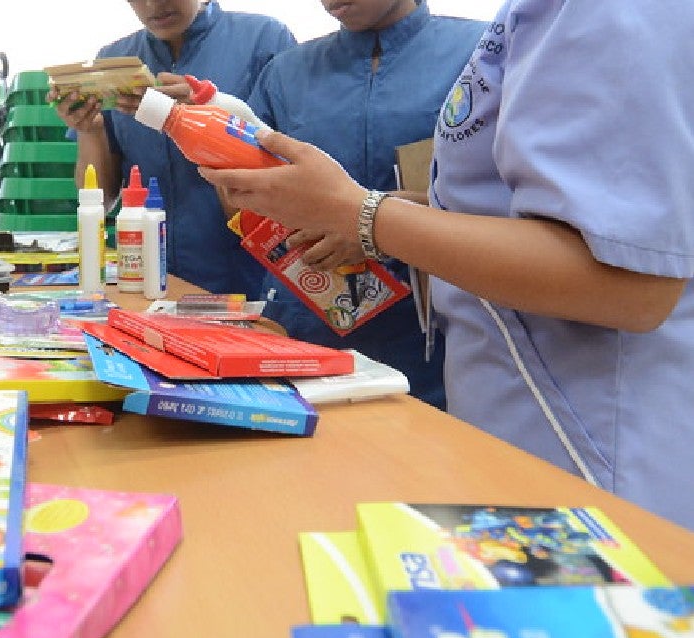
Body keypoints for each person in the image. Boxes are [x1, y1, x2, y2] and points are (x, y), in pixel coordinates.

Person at [199, 1, 694, 532]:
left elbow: (629, 279)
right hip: (497, 397)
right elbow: (498, 207)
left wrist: (360, 214)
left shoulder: (606, 14)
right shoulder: (523, 25)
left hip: (585, 435)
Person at [244, 0, 487, 409]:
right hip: (309, 327)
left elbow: (510, 203)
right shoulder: (286, 73)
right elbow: (249, 198)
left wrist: (376, 220)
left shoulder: (479, 54)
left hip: (439, 338)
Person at [50, 0, 296, 298]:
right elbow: (98, 199)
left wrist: (213, 117)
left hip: (249, 279)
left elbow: (295, 171)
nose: (153, 5)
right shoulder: (114, 61)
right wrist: (90, 130)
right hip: (147, 283)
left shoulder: (264, 39)